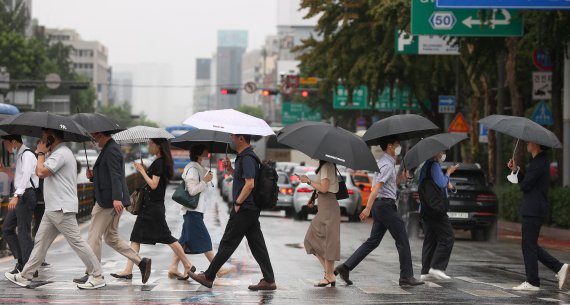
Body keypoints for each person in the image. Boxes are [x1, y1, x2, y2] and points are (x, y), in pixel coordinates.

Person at [4, 128, 106, 290]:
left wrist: (41, 153)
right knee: (40, 243)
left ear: (51, 139)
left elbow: (41, 172)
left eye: (44, 139)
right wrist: (43, 154)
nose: (42, 142)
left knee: (77, 243)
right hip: (53, 208)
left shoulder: (61, 153)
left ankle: (97, 275)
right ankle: (25, 275)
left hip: (61, 208)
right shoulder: (58, 153)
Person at [189, 134, 276, 291]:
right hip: (250, 209)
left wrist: (238, 202)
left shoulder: (248, 157)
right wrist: (230, 169)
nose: (231, 140)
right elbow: (243, 179)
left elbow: (250, 184)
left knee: (228, 242)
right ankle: (269, 280)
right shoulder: (244, 157)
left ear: (241, 139)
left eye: (233, 137)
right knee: (257, 245)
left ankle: (209, 276)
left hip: (245, 208)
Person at [334, 136, 424, 287]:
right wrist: (367, 207)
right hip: (385, 206)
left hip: (382, 206)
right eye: (396, 145)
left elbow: (389, 185)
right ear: (390, 146)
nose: (398, 147)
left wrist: (401, 179)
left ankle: (345, 267)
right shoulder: (387, 165)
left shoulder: (383, 163)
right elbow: (376, 187)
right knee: (402, 239)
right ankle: (406, 276)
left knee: (372, 242)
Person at [73, 132, 152, 284]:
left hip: (108, 202)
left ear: (102, 135)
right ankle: (141, 262)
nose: (94, 141)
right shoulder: (110, 149)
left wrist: (116, 198)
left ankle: (94, 274)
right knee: (111, 237)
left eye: (95, 138)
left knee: (93, 237)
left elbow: (116, 175)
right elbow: (108, 175)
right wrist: (92, 176)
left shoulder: (112, 150)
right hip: (111, 200)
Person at [112, 138, 193, 281]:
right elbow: (155, 182)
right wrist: (146, 170)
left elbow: (154, 185)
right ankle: (128, 270)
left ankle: (187, 265)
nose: (149, 146)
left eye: (151, 144)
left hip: (153, 208)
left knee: (166, 237)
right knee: (136, 237)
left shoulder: (159, 163)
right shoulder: (161, 162)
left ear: (159, 146)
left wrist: (142, 171)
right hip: (152, 207)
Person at [507, 142, 569, 291]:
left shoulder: (539, 162)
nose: (528, 144)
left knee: (528, 245)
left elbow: (525, 185)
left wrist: (515, 175)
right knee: (530, 245)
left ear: (536, 145)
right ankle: (559, 268)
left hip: (533, 209)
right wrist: (515, 170)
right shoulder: (538, 161)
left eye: (530, 142)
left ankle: (533, 282)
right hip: (534, 208)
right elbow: (528, 183)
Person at [168, 145, 231, 279]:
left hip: (195, 211)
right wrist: (205, 181)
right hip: (192, 211)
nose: (208, 151)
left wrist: (205, 178)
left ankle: (173, 267)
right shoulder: (192, 169)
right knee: (205, 240)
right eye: (205, 150)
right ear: (199, 153)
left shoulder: (198, 168)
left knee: (183, 242)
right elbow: (192, 191)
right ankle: (217, 269)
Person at [0, 135, 39, 275]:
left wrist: (16, 196)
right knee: (7, 228)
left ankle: (29, 268)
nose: (4, 146)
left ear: (14, 142)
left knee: (23, 231)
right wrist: (7, 172)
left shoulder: (27, 154)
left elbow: (27, 176)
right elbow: (18, 177)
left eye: (5, 143)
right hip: (21, 195)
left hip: (25, 195)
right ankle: (22, 261)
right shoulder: (20, 155)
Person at [298, 160, 340, 287]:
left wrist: (308, 181)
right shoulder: (326, 166)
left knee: (325, 240)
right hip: (325, 205)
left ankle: (329, 275)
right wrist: (313, 198)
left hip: (328, 206)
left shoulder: (327, 166)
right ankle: (330, 273)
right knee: (314, 240)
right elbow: (323, 188)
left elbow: (325, 188)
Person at [418, 152, 457, 281]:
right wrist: (449, 173)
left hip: (427, 208)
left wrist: (448, 183)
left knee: (431, 238)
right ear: (435, 153)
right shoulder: (434, 165)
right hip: (436, 209)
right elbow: (441, 183)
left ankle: (426, 270)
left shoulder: (426, 166)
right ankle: (437, 267)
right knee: (448, 236)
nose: (443, 154)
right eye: (441, 152)